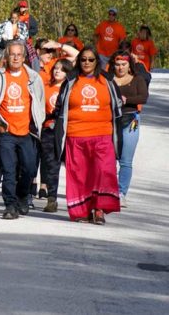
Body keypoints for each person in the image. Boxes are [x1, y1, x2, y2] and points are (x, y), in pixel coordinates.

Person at [54, 46, 123, 224]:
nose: (86, 62)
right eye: (83, 59)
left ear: (96, 62)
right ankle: (82, 211)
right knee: (80, 174)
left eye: (91, 59)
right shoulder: (70, 81)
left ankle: (99, 209)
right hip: (76, 136)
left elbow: (117, 108)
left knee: (103, 171)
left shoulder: (107, 81)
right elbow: (60, 108)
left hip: (102, 134)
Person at [0, 40, 46, 219]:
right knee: (9, 170)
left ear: (24, 57)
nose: (16, 58)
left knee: (29, 169)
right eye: (12, 54)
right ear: (7, 57)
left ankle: (22, 197)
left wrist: (38, 124)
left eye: (19, 54)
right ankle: (10, 205)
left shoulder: (34, 77)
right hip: (7, 132)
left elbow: (40, 103)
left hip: (28, 132)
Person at [108, 50, 149, 207]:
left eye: (123, 64)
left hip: (131, 120)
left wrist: (127, 100)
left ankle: (121, 192)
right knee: (109, 159)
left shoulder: (137, 79)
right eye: (117, 64)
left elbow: (143, 97)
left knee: (126, 160)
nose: (120, 68)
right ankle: (109, 189)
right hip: (110, 121)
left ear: (129, 65)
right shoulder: (108, 79)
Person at [39, 59, 73, 213]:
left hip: (68, 130)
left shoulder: (72, 88)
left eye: (62, 69)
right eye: (55, 68)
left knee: (72, 166)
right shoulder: (45, 88)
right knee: (52, 166)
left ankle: (76, 198)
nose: (57, 71)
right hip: (49, 130)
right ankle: (51, 199)